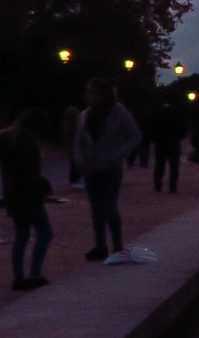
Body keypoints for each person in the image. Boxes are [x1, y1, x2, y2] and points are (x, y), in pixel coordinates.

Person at [72, 77, 143, 264]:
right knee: (96, 208)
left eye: (92, 91)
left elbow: (135, 135)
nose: (89, 95)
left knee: (110, 206)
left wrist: (119, 154)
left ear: (103, 93)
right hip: (91, 168)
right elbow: (78, 141)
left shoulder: (119, 112)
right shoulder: (85, 115)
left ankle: (117, 245)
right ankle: (101, 245)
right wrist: (80, 161)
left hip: (111, 168)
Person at [0, 110, 54, 291]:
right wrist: (44, 186)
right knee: (45, 233)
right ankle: (35, 274)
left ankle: (19, 278)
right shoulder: (25, 142)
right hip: (29, 196)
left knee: (21, 236)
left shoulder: (9, 141)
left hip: (14, 196)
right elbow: (29, 174)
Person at [148, 103, 188, 193]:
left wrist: (156, 139)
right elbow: (184, 130)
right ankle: (172, 186)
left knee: (159, 166)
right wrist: (177, 138)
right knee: (174, 167)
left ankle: (158, 185)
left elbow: (151, 131)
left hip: (161, 145)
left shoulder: (158, 120)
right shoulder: (177, 119)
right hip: (174, 145)